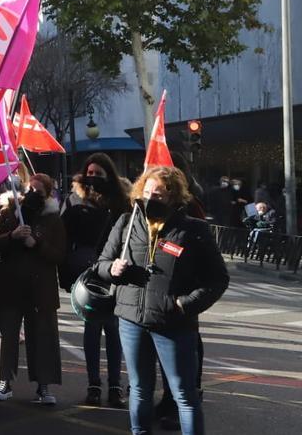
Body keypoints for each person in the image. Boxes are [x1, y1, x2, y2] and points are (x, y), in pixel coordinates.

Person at [95, 166, 229, 435]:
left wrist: (186, 304)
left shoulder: (193, 229)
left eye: (158, 194)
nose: (150, 198)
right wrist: (111, 269)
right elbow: (101, 263)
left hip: (174, 324)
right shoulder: (126, 222)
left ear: (174, 197)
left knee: (184, 394)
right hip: (131, 320)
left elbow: (217, 279)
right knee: (140, 389)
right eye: (146, 192)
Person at [0, 173, 65, 406]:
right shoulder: (9, 212)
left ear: (48, 194)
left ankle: (44, 384)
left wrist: (38, 243)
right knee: (7, 334)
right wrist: (12, 236)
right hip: (10, 285)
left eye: (38, 192)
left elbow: (59, 254)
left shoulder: (53, 218)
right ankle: (4, 381)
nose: (32, 195)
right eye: (29, 190)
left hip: (41, 288)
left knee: (43, 336)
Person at [61, 153, 130, 408]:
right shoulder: (75, 199)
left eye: (98, 174)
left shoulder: (120, 202)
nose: (93, 178)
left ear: (108, 176)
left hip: (113, 272)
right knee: (91, 330)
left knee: (113, 330)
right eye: (89, 173)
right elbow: (65, 237)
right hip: (86, 274)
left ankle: (114, 385)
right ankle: (93, 384)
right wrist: (66, 272)